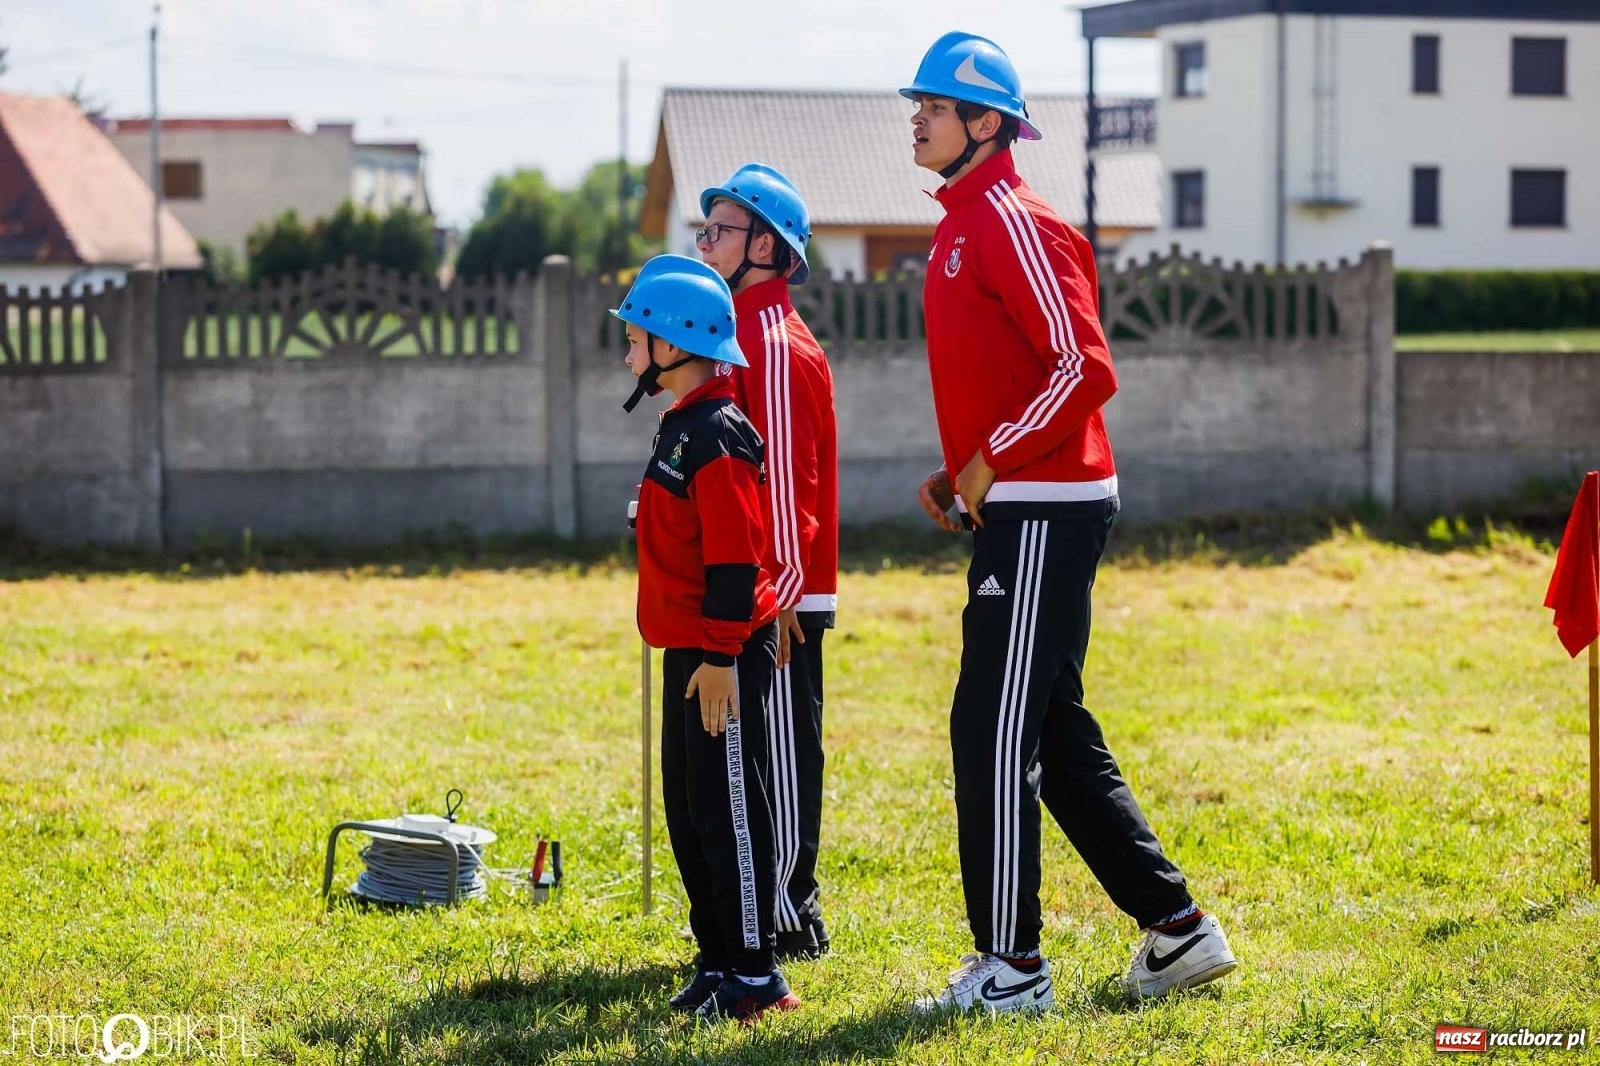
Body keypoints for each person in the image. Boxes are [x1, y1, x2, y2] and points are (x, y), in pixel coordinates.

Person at [899, 32, 1238, 1013]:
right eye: (914, 102)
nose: (915, 117)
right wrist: (963, 470)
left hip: (1047, 508)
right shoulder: (964, 220)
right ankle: (1177, 933)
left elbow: (1084, 368)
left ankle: (1011, 968)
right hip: (1020, 500)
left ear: (986, 123)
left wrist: (992, 457)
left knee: (992, 731)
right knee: (1047, 723)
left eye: (933, 104)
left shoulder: (1011, 218)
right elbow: (1019, 377)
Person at [614, 254, 800, 1023]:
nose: (628, 353)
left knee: (728, 812)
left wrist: (723, 655)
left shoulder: (719, 432)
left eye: (635, 338)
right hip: (688, 651)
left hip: (718, 654)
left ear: (677, 342)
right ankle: (718, 956)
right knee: (691, 812)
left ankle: (756, 975)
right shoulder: (682, 425)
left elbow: (735, 556)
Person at [697, 163, 839, 961]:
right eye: (706, 228)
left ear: (767, 246)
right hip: (752, 587)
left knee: (781, 754)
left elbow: (786, 479)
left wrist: (779, 590)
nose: (706, 241)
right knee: (752, 751)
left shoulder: (773, 341)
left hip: (782, 593)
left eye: (720, 229)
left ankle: (790, 911)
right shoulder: (733, 329)